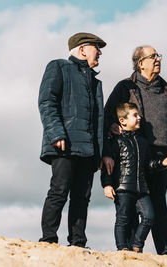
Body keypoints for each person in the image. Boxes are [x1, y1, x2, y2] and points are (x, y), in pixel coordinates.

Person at [103, 45, 167, 255]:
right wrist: (110, 130)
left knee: (158, 205)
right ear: (140, 62)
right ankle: (130, 250)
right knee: (131, 204)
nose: (157, 59)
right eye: (152, 56)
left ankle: (165, 250)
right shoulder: (125, 87)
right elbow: (108, 114)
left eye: (158, 56)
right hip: (135, 152)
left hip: (164, 156)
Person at [38, 32, 106, 247]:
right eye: (97, 47)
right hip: (64, 143)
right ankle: (48, 239)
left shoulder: (95, 82)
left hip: (88, 149)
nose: (100, 52)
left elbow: (99, 119)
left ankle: (78, 243)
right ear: (83, 48)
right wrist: (56, 133)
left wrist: (100, 153)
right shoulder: (58, 66)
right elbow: (47, 101)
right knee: (59, 191)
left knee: (82, 198)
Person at [101, 102, 167, 252]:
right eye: (135, 115)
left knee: (149, 217)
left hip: (142, 188)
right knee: (123, 219)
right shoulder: (115, 141)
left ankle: (137, 245)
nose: (139, 117)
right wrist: (107, 185)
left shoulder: (143, 142)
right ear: (123, 121)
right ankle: (122, 249)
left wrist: (163, 163)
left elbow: (149, 164)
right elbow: (108, 166)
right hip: (122, 188)